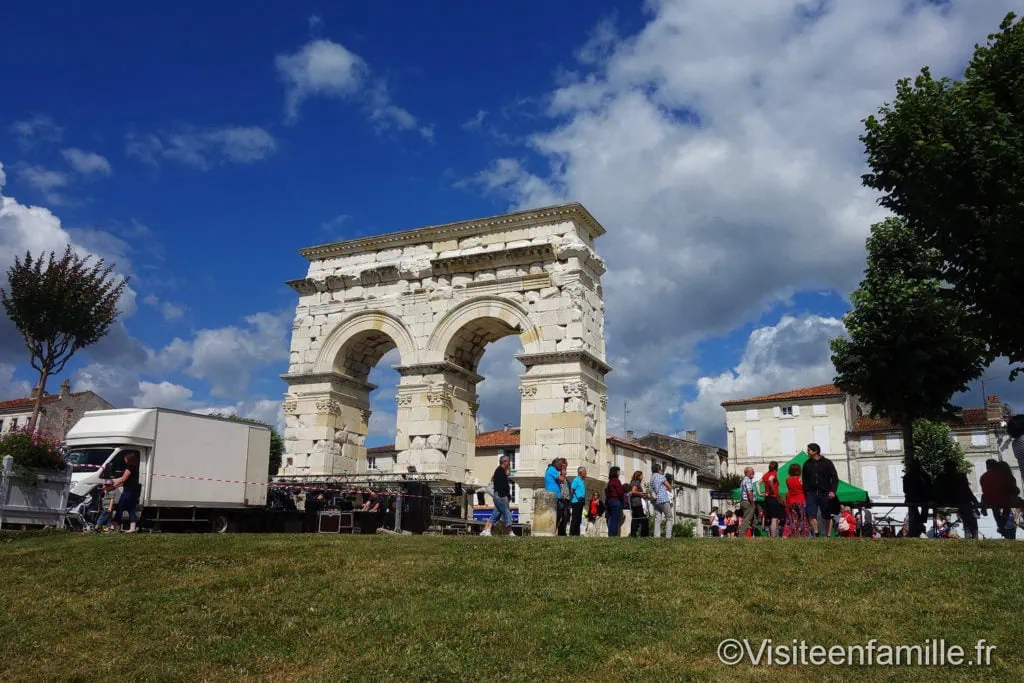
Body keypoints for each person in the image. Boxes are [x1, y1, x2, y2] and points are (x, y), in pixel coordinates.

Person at [801, 443, 838, 537]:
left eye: (809, 450)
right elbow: (804, 479)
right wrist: (806, 491)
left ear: (815, 451)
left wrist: (833, 491)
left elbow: (834, 477)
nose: (807, 452)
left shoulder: (827, 462)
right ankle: (816, 533)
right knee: (811, 514)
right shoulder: (806, 464)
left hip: (825, 492)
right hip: (811, 493)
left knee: (827, 515)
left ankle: (828, 535)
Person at [106, 451, 142, 533]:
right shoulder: (136, 468)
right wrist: (115, 485)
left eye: (125, 459)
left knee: (120, 508)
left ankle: (114, 527)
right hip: (134, 492)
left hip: (128, 492)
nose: (124, 461)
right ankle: (132, 528)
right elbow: (126, 482)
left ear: (129, 460)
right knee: (131, 509)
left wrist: (112, 485)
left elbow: (123, 479)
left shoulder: (129, 468)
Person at [480, 455, 515, 537]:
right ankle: (510, 532)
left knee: (497, 513)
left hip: (499, 496)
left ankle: (486, 530)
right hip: (501, 496)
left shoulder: (500, 471)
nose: (509, 463)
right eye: (508, 461)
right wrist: (503, 495)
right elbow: (500, 485)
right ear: (504, 462)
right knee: (507, 513)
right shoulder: (500, 471)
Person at [903, 457, 931, 538]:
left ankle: (919, 524)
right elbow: (929, 487)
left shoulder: (907, 476)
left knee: (914, 515)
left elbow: (905, 490)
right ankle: (920, 523)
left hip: (912, 499)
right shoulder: (924, 475)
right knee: (921, 511)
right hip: (922, 499)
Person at [784, 462, 808, 537]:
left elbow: (790, 489)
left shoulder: (787, 480)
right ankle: (804, 534)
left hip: (792, 501)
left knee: (794, 519)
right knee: (803, 518)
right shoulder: (801, 479)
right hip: (801, 499)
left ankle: (795, 534)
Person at [760, 461, 784, 538]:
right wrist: (774, 491)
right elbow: (770, 480)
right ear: (776, 467)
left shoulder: (765, 474)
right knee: (774, 518)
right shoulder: (773, 473)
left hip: (767, 498)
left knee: (769, 517)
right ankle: (773, 536)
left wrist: (761, 493)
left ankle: (770, 535)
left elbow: (758, 483)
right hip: (773, 497)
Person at [650, 463, 673, 538]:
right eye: (661, 469)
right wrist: (667, 488)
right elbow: (669, 487)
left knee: (657, 518)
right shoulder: (661, 477)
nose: (662, 471)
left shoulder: (652, 477)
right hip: (663, 498)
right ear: (659, 470)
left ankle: (656, 536)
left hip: (655, 500)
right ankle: (668, 536)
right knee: (669, 517)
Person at [605, 466, 626, 537]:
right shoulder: (616, 481)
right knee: (615, 519)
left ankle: (610, 534)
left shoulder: (610, 481)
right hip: (616, 500)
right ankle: (613, 535)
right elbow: (620, 492)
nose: (619, 473)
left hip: (610, 501)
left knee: (611, 519)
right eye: (618, 471)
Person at [628, 470, 649, 537]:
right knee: (644, 519)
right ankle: (644, 535)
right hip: (637, 503)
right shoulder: (637, 482)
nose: (642, 477)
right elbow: (633, 491)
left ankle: (633, 534)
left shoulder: (633, 482)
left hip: (633, 503)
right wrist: (641, 493)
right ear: (639, 476)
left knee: (635, 519)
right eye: (642, 475)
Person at [738, 466, 757, 537]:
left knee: (752, 519)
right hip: (747, 502)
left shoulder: (744, 480)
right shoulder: (748, 480)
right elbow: (749, 492)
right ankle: (741, 536)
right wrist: (752, 503)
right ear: (747, 473)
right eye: (752, 471)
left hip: (744, 502)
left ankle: (749, 535)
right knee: (746, 520)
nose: (753, 472)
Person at [569, 466, 587, 536]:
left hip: (581, 501)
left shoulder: (582, 481)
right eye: (585, 471)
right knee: (575, 518)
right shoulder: (576, 480)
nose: (586, 473)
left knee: (579, 518)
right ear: (581, 472)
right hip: (576, 501)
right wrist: (576, 497)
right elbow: (572, 489)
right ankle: (572, 533)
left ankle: (577, 533)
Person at [557, 460, 571, 536]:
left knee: (566, 516)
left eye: (565, 470)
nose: (565, 472)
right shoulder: (559, 478)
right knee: (561, 516)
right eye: (564, 470)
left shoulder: (567, 479)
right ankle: (560, 531)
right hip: (561, 498)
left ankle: (562, 532)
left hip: (567, 499)